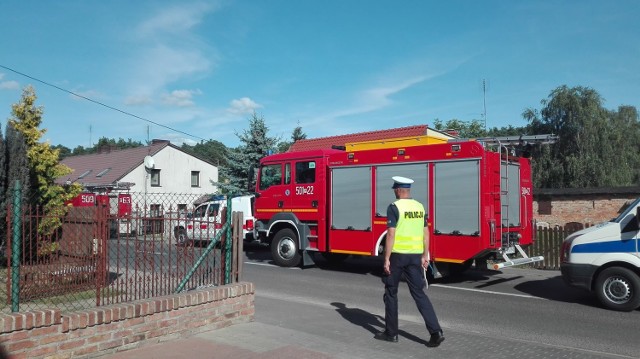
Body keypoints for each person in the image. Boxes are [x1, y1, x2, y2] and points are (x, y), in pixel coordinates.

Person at [374, 176, 445, 348]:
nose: (394, 192)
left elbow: (391, 234)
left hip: (398, 256)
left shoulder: (394, 207)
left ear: (398, 190)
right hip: (415, 256)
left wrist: (386, 259)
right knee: (419, 294)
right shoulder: (419, 207)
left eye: (394, 190)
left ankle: (391, 334)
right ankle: (436, 332)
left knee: (391, 292)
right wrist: (425, 255)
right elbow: (426, 233)